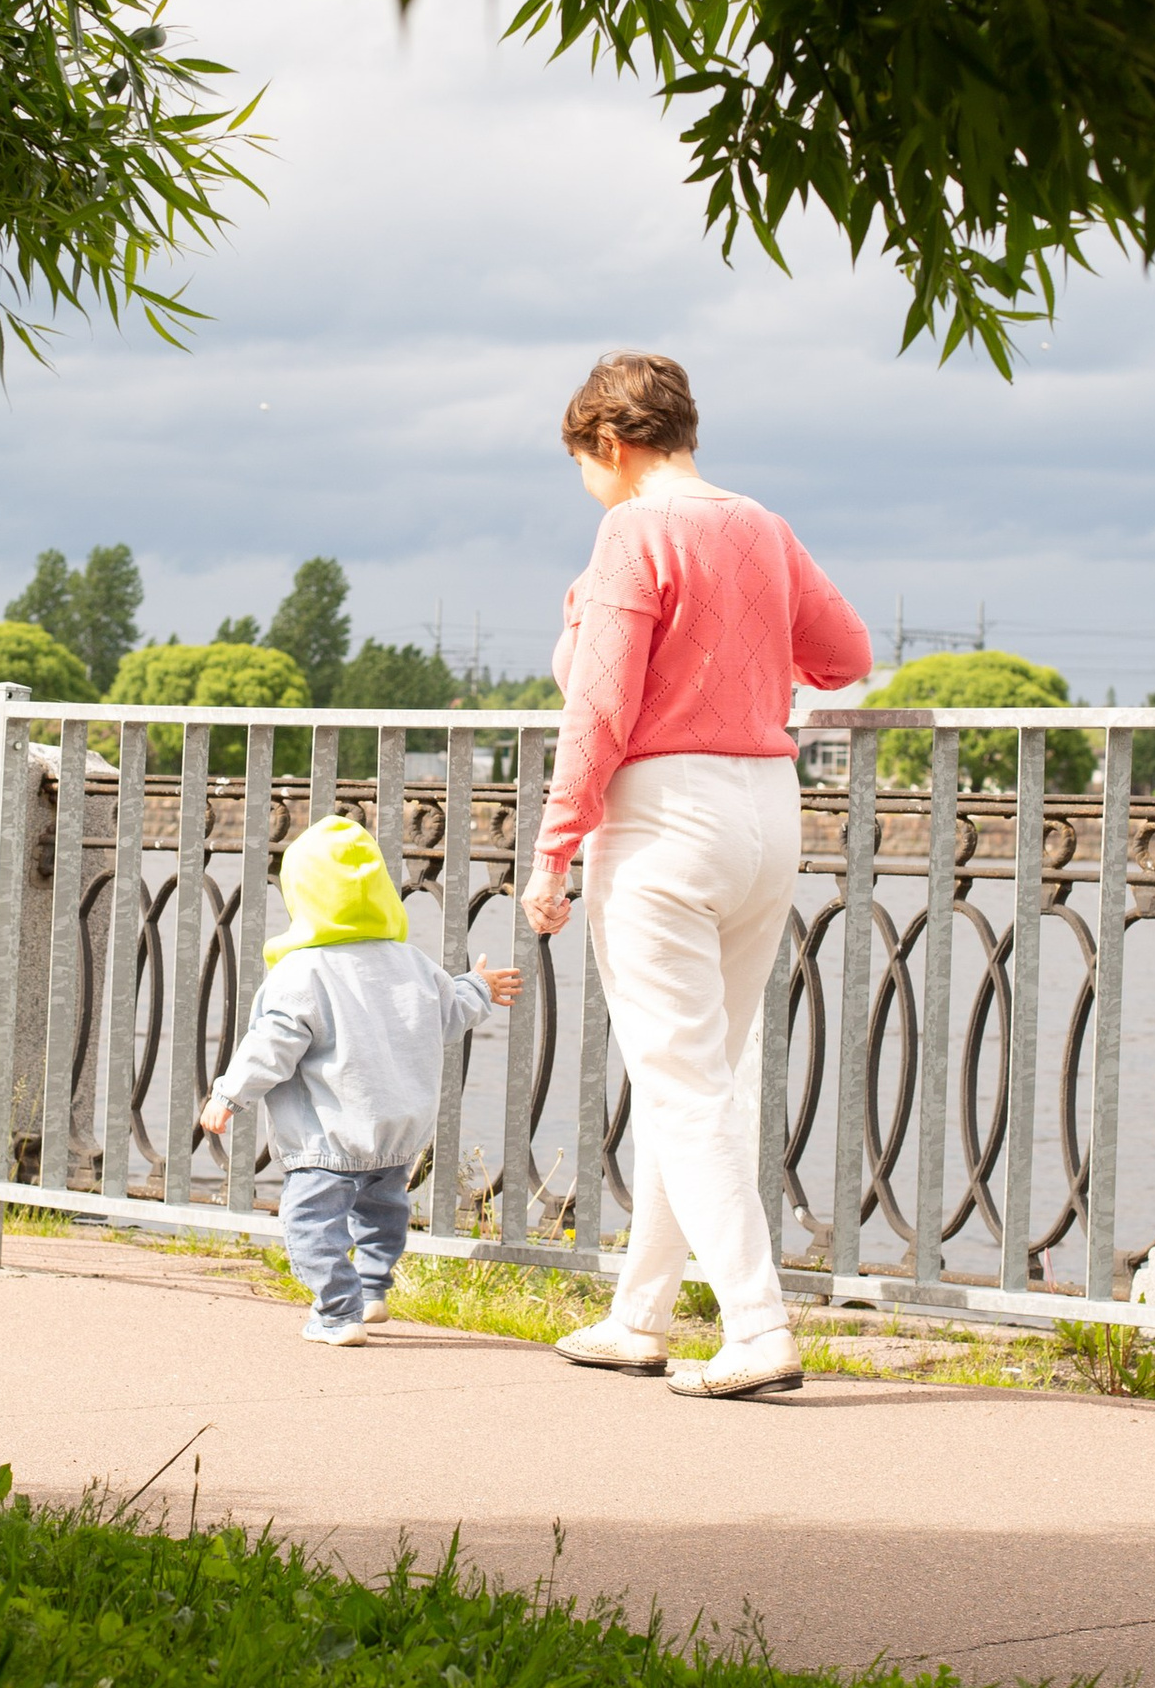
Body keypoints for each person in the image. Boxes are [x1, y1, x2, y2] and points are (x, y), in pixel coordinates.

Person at [525, 351, 872, 1399]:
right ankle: (640, 1314)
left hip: (665, 815)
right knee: (701, 1078)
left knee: (679, 1084)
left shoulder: (631, 528)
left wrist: (550, 853)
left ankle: (758, 1325)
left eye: (583, 459)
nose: (588, 478)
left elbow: (597, 711)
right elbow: (845, 651)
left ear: (611, 445)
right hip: (767, 810)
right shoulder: (759, 523)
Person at [202, 814, 521, 1345]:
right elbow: (449, 1010)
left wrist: (230, 1094)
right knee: (382, 1216)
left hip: (328, 1137)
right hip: (397, 1133)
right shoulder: (411, 962)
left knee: (311, 1225)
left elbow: (272, 1047)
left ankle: (337, 1312)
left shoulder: (301, 973)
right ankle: (373, 1291)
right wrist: (480, 987)